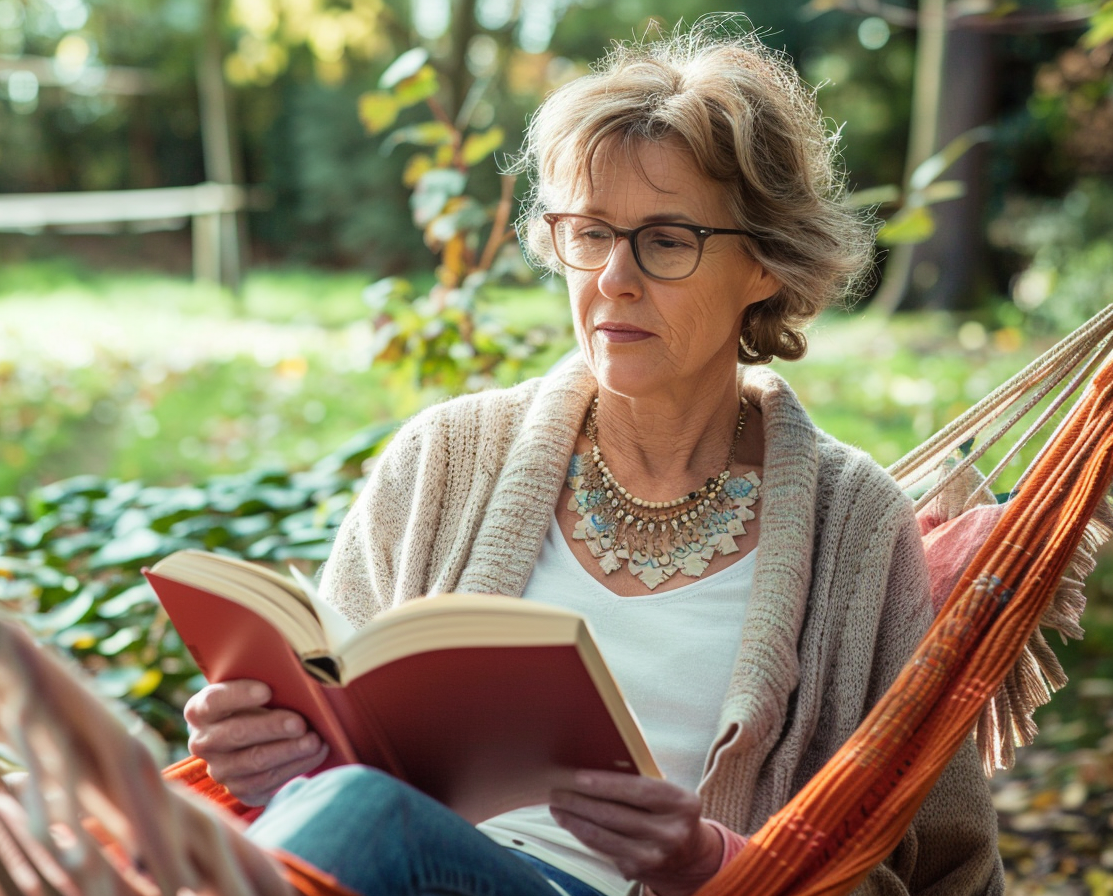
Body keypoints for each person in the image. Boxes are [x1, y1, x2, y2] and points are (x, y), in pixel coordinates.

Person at [184, 19, 1005, 896]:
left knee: (353, 818)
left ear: (766, 264)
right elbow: (341, 738)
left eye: (665, 240)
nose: (615, 277)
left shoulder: (854, 527)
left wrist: (715, 864)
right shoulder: (442, 459)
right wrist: (267, 751)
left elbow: (936, 871)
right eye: (589, 233)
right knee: (336, 812)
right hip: (389, 868)